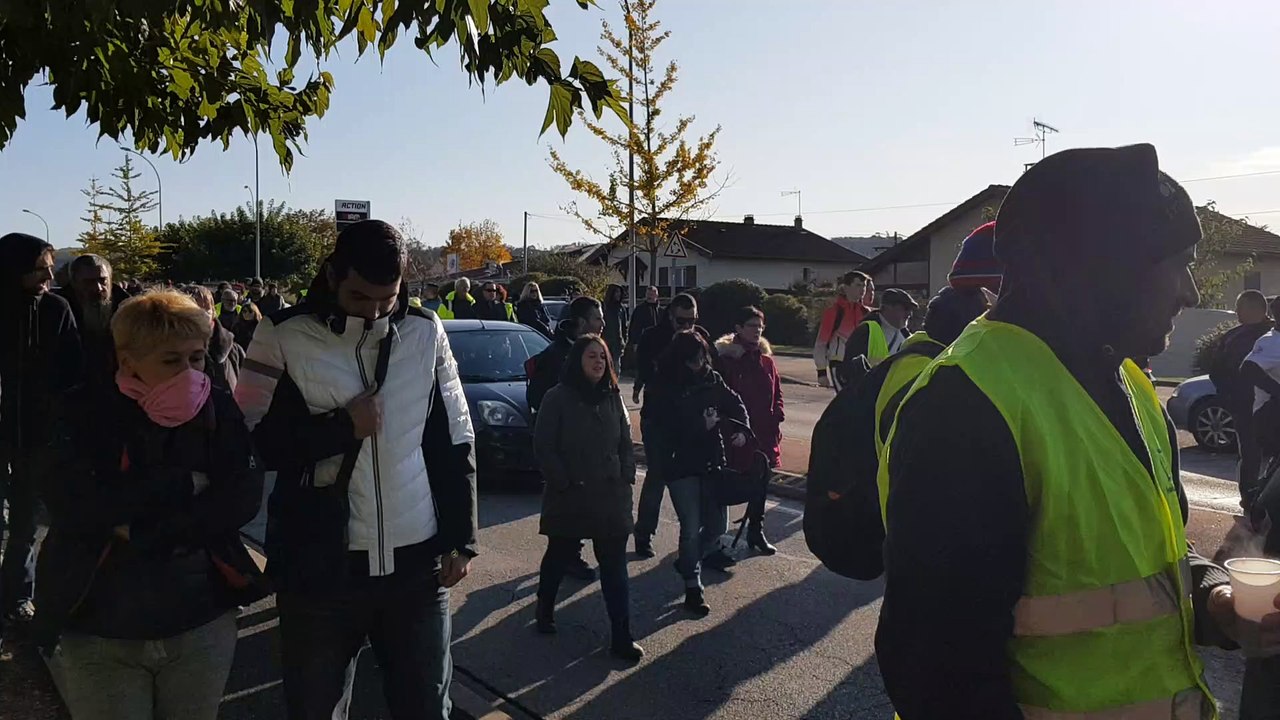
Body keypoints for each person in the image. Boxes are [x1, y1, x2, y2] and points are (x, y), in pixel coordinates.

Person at [876, 145, 1244, 718]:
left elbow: (1142, 557)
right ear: (1101, 268)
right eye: (1177, 263)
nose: (1191, 292)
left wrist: (1212, 596)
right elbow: (937, 678)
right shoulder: (966, 404)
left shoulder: (1127, 380)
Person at [235, 219, 477, 720]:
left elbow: (454, 438)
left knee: (428, 708)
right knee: (316, 709)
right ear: (331, 274)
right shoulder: (281, 334)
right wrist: (341, 428)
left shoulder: (425, 330)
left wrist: (462, 536)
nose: (373, 311)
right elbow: (248, 442)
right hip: (320, 566)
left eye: (386, 299)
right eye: (359, 296)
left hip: (416, 565)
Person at [35, 290, 266, 720]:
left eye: (197, 358)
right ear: (127, 362)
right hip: (101, 632)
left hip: (199, 622)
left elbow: (242, 495)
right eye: (170, 360)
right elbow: (75, 506)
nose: (190, 372)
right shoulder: (84, 412)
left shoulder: (215, 405)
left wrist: (145, 530)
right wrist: (182, 483)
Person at [532, 335, 643, 662]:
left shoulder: (613, 397)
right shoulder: (558, 397)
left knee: (614, 568)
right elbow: (544, 445)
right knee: (559, 553)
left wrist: (627, 472)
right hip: (571, 495)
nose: (598, 362)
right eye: (591, 356)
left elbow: (626, 440)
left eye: (603, 358)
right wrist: (562, 480)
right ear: (577, 360)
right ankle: (544, 607)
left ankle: (621, 635)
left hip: (611, 496)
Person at [0, 233, 81, 644]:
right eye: (40, 268)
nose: (51, 275)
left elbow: (72, 373)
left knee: (26, 525)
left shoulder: (56, 309)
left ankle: (17, 597)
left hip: (38, 439)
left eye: (51, 267)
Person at [652, 331, 747, 615]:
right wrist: (699, 426)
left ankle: (688, 560)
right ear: (680, 361)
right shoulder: (664, 387)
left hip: (711, 462)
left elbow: (735, 404)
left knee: (718, 527)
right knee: (691, 528)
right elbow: (661, 430)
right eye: (693, 361)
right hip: (680, 465)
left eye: (702, 359)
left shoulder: (712, 380)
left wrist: (741, 428)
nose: (700, 365)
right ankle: (693, 586)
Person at [526, 296, 607, 583]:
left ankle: (569, 553)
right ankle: (560, 570)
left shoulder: (596, 354)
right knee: (564, 514)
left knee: (580, 510)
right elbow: (538, 398)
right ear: (582, 322)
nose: (603, 324)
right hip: (564, 453)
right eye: (597, 319)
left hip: (589, 453)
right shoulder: (556, 355)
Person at [632, 293, 715, 558]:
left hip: (691, 419)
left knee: (697, 476)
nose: (687, 325)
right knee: (657, 476)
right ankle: (644, 533)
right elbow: (646, 371)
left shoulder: (700, 336)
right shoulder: (653, 336)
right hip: (659, 419)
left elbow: (710, 371)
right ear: (670, 315)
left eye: (692, 320)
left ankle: (703, 537)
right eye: (682, 320)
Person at [714, 306, 782, 555]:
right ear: (738, 329)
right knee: (731, 481)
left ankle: (756, 531)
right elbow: (722, 397)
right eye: (752, 325)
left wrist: (777, 416)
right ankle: (714, 535)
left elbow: (777, 393)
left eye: (760, 326)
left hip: (764, 433)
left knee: (761, 481)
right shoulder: (727, 361)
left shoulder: (766, 362)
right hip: (737, 433)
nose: (758, 330)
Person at [1214, 291, 1273, 501]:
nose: (1236, 311)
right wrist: (1228, 397)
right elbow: (1218, 370)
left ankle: (1265, 497)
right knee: (1250, 453)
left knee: (1266, 453)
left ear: (1253, 308)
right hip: (1243, 405)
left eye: (1239, 307)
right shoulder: (1233, 336)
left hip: (1269, 405)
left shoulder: (1272, 335)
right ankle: (1249, 497)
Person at [59, 253, 130, 388]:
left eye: (102, 280)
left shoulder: (130, 311)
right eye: (88, 282)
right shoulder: (57, 312)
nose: (97, 288)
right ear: (74, 283)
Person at [813, 270, 873, 391]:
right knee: (845, 400)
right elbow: (821, 343)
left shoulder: (866, 313)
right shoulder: (834, 311)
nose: (862, 290)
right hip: (839, 362)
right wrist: (821, 372)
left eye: (864, 286)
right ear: (846, 287)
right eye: (858, 285)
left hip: (861, 363)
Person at [184, 285, 245, 392]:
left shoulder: (234, 351)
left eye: (204, 309)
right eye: (191, 310)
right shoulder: (164, 353)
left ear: (213, 310)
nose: (199, 316)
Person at [845, 288, 917, 367]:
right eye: (906, 308)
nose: (909, 314)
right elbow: (848, 366)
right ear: (887, 307)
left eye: (911, 310)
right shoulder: (866, 330)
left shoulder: (907, 337)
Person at [602, 284, 629, 364]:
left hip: (617, 343)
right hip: (606, 342)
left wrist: (624, 340)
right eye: (616, 292)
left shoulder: (621, 309)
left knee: (616, 369)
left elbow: (624, 326)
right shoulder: (604, 307)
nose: (618, 294)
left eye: (619, 292)